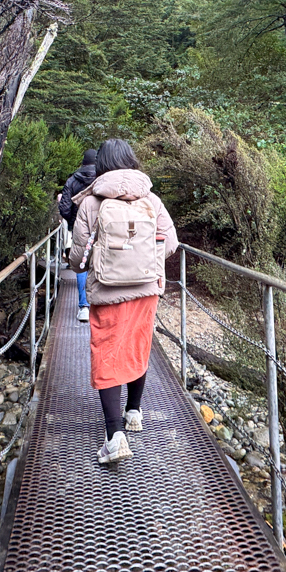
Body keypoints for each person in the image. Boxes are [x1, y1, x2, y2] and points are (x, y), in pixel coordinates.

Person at [68, 139, 178, 464]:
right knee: (137, 346)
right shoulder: (151, 200)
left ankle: (114, 437)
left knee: (107, 353)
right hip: (146, 290)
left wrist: (81, 265)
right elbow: (170, 242)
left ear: (102, 165)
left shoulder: (90, 203)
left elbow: (78, 256)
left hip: (106, 291)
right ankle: (134, 412)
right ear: (131, 161)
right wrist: (144, 262)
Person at [59, 149, 97, 322]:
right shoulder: (103, 179)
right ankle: (101, 304)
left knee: (82, 263)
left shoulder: (72, 180)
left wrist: (74, 221)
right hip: (101, 227)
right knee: (100, 261)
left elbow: (64, 208)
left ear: (83, 162)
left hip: (79, 228)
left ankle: (84, 307)